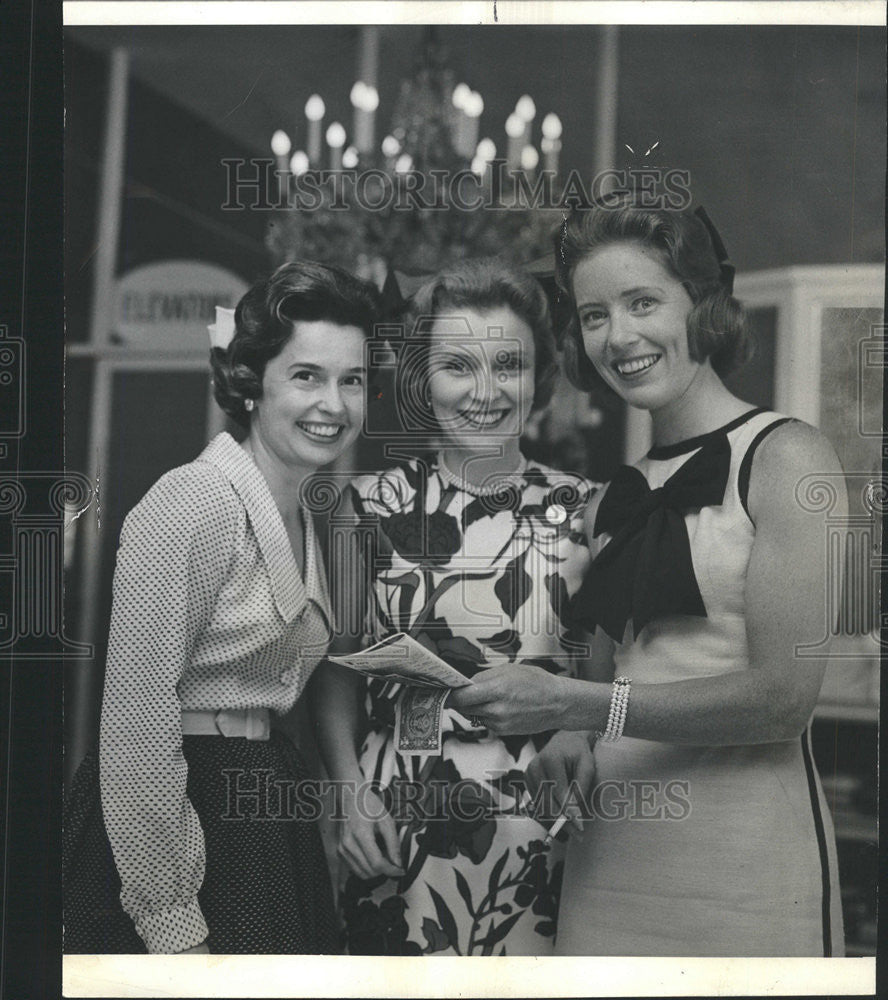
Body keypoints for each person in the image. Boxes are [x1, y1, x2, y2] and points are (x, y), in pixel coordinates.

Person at [450, 194, 846, 956]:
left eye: (642, 302)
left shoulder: (787, 457)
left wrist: (570, 699)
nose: (618, 336)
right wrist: (570, 734)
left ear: (701, 304)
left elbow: (782, 702)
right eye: (594, 315)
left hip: (745, 870)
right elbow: (608, 686)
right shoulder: (614, 499)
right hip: (611, 863)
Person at [63, 260, 380, 954]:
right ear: (250, 384)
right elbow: (135, 728)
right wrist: (172, 925)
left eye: (351, 380)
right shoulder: (194, 501)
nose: (334, 403)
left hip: (262, 813)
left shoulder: (306, 511)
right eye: (306, 376)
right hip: (185, 816)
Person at [314, 259, 597, 956]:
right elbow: (335, 667)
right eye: (458, 366)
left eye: (509, 365)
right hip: (394, 812)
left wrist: (578, 729)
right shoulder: (368, 506)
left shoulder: (587, 510)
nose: (486, 392)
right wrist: (349, 791)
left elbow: (605, 670)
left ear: (540, 377)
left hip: (541, 821)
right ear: (422, 380)